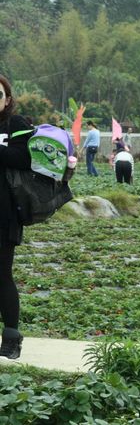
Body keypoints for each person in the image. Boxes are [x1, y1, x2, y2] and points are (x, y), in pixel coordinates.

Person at [0, 75, 33, 359]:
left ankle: (11, 337)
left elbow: (24, 158)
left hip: (5, 212)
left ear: (7, 99)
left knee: (2, 274)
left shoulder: (16, 124)